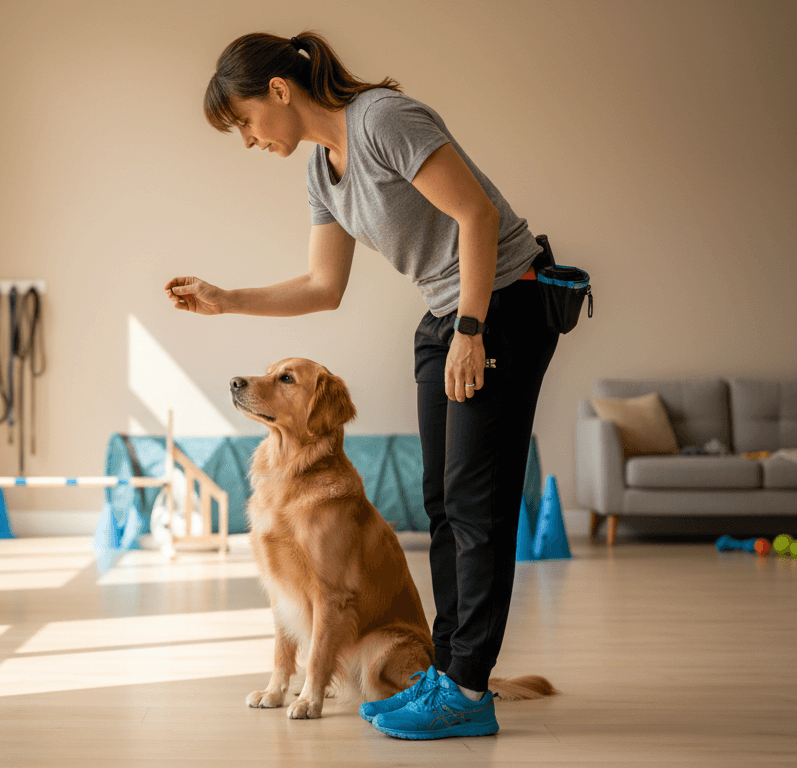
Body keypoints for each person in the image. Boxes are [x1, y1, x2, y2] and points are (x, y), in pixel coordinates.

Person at [163, 31, 559, 740]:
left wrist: (471, 328)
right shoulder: (322, 171)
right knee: (442, 504)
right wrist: (227, 299)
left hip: (502, 301)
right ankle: (449, 674)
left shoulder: (383, 120)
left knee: (476, 507)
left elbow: (479, 215)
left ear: (279, 91)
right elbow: (324, 285)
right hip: (448, 312)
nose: (249, 139)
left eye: (246, 120)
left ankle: (467, 690)